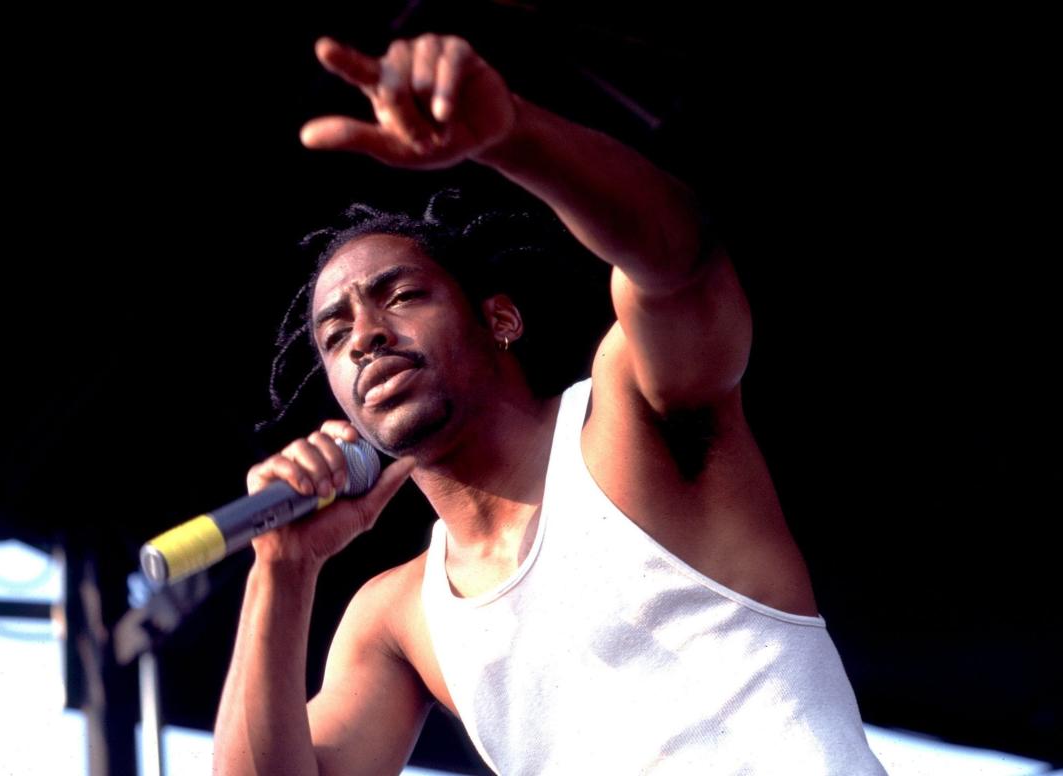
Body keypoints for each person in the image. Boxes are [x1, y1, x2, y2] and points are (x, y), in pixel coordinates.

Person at [214, 33, 887, 776]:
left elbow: (680, 264)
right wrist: (280, 569)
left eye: (401, 296)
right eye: (335, 336)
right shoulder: (396, 619)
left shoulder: (628, 418)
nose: (367, 337)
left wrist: (514, 138)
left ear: (499, 319)